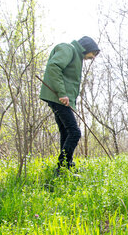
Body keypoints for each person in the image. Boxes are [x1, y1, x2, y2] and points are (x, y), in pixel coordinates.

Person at [40, 36, 100, 172]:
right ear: (87, 48)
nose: (93, 57)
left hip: (62, 99)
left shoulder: (76, 56)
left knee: (66, 132)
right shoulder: (69, 49)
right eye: (93, 53)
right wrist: (62, 93)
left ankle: (65, 166)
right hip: (58, 97)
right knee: (74, 132)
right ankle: (63, 166)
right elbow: (53, 66)